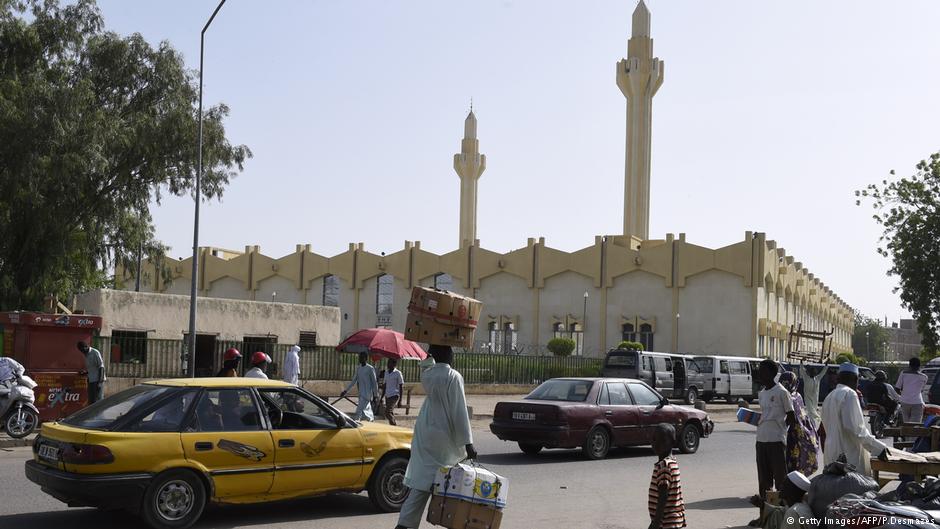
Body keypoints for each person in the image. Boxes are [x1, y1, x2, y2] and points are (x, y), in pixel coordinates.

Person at [395, 345, 476, 529]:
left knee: (421, 484)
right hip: (444, 436)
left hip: (425, 433)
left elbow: (424, 364)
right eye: (451, 351)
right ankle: (453, 520)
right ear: (447, 355)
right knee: (448, 486)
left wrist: (429, 353)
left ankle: (404, 524)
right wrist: (468, 444)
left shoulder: (427, 375)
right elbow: (459, 411)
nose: (453, 355)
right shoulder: (453, 377)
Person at [820, 362, 888, 476]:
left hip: (830, 454)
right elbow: (856, 430)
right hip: (847, 456)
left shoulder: (829, 396)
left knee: (833, 492)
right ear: (855, 378)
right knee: (851, 492)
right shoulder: (850, 394)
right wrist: (878, 448)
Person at [750, 359, 795, 527]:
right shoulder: (762, 393)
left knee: (780, 481)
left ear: (772, 373)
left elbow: (791, 417)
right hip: (761, 441)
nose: (760, 374)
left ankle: (784, 516)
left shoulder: (782, 392)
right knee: (764, 482)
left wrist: (781, 430)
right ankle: (764, 516)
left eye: (763, 371)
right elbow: (764, 415)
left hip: (776, 441)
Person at [778, 371, 819, 477]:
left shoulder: (788, 397)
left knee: (791, 461)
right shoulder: (797, 395)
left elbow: (790, 417)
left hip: (793, 435)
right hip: (803, 433)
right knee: (797, 460)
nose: (785, 386)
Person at [648, 423, 686, 529]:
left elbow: (663, 496)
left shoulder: (664, 465)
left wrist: (655, 523)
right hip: (671, 520)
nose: (656, 443)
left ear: (672, 442)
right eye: (654, 439)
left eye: (662, 440)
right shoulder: (671, 462)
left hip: (666, 522)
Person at [341, 352, 378, 421]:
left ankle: (356, 423)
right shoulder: (358, 368)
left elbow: (374, 383)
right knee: (365, 410)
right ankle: (370, 419)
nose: (360, 359)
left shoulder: (370, 368)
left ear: (366, 358)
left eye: (362, 357)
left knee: (359, 410)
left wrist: (375, 396)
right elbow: (353, 381)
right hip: (361, 394)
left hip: (367, 394)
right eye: (359, 357)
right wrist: (345, 391)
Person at [896, 357, 929, 426]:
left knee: (906, 423)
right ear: (919, 366)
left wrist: (903, 395)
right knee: (915, 425)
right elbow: (921, 390)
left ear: (909, 365)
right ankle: (912, 437)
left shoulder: (903, 373)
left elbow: (897, 388)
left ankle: (908, 436)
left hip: (904, 402)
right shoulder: (924, 377)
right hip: (917, 402)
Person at [799, 360, 828, 429]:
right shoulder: (806, 377)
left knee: (812, 413)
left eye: (814, 372)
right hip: (807, 398)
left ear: (815, 373)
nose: (812, 373)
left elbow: (823, 372)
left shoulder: (818, 378)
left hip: (815, 399)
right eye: (811, 372)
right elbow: (802, 370)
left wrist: (826, 365)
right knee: (811, 411)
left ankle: (811, 426)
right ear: (809, 373)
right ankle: (813, 426)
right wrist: (801, 363)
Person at [382, 359, 405, 426]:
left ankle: (394, 425)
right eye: (388, 362)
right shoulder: (386, 372)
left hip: (394, 395)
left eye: (390, 363)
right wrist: (382, 397)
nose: (388, 364)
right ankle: (392, 425)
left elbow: (401, 386)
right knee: (390, 412)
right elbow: (385, 385)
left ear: (394, 364)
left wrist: (400, 400)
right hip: (387, 395)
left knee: (387, 412)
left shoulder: (398, 373)